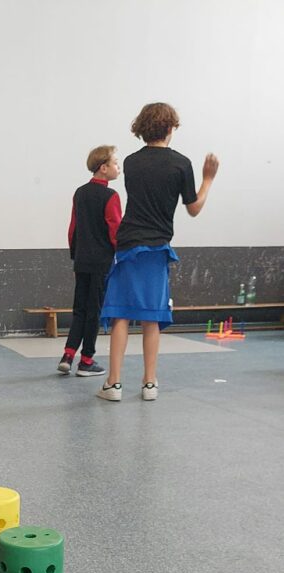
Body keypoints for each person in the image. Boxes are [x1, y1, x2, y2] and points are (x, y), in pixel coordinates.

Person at [98, 103, 219, 402]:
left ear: (142, 128)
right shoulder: (181, 164)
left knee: (120, 314)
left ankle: (113, 384)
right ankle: (149, 383)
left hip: (128, 246)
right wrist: (207, 179)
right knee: (152, 315)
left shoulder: (131, 162)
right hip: (157, 247)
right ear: (169, 128)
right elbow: (193, 208)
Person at [57, 145, 122, 377]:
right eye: (116, 163)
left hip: (82, 260)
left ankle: (68, 355)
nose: (119, 168)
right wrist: (121, 255)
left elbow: (72, 229)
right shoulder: (111, 196)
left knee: (80, 309)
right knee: (94, 310)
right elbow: (115, 231)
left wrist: (76, 255)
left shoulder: (80, 193)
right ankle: (86, 360)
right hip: (101, 262)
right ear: (103, 168)